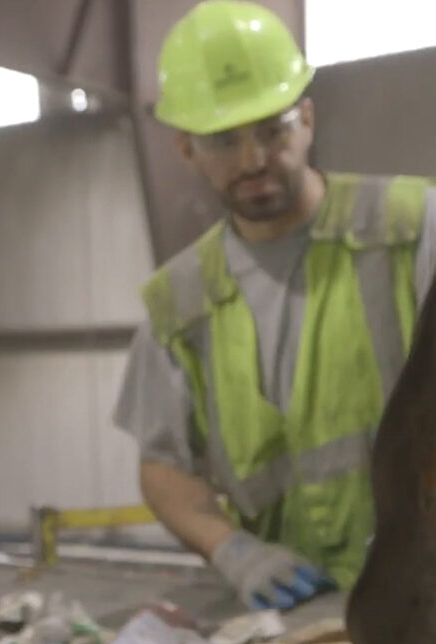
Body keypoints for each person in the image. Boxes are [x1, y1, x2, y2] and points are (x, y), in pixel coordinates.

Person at [114, 0, 436, 612]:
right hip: (296, 613)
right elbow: (163, 465)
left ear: (307, 119)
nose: (254, 159)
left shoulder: (412, 229)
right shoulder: (180, 304)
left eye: (272, 130)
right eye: (224, 140)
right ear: (187, 151)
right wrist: (233, 549)